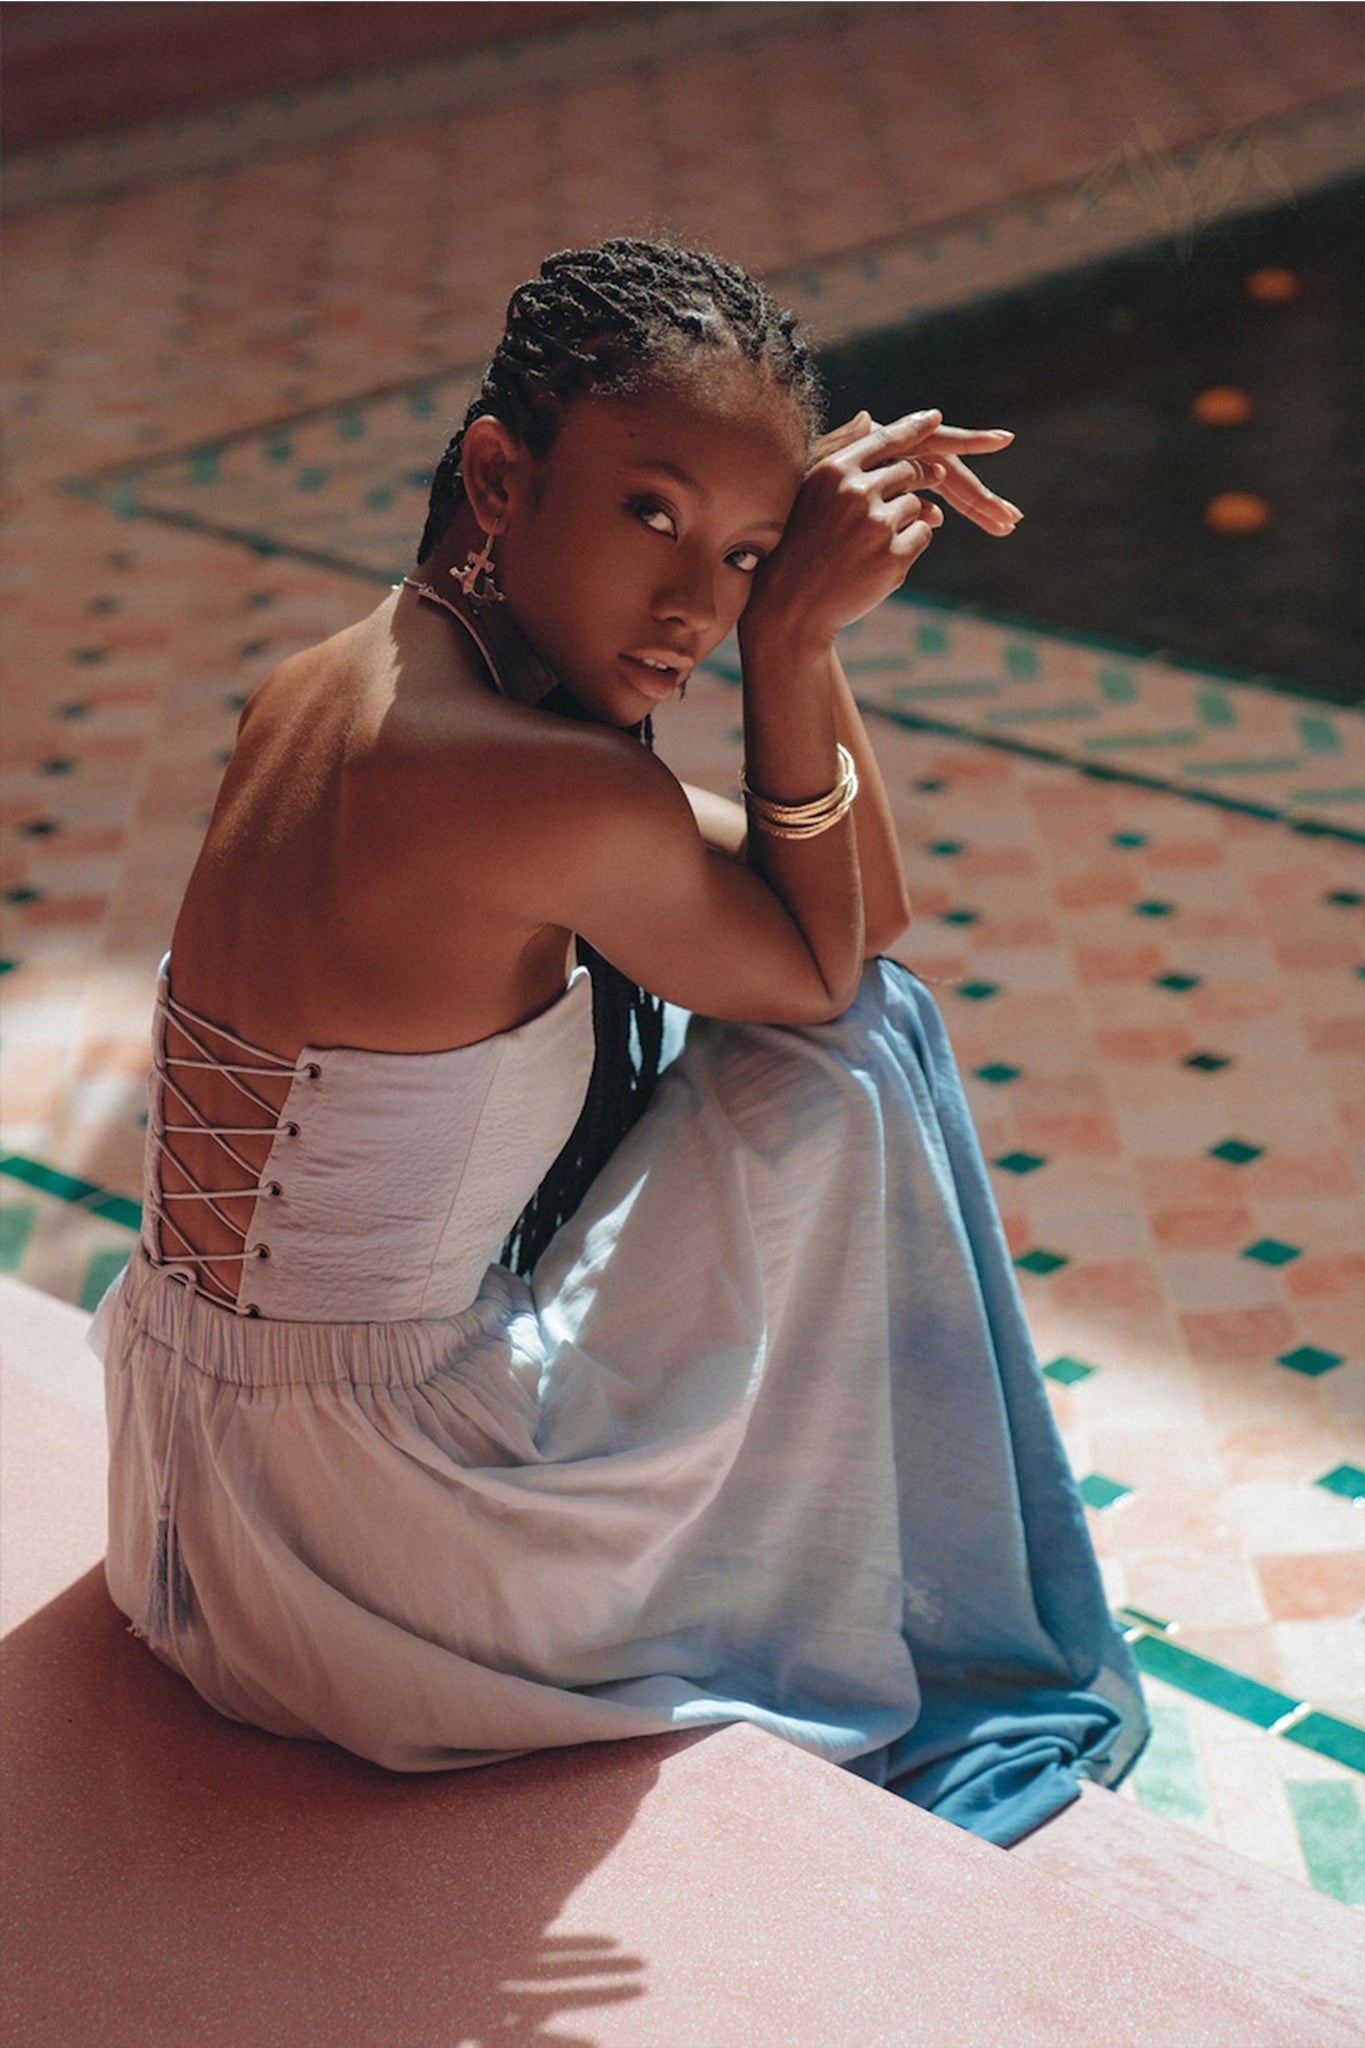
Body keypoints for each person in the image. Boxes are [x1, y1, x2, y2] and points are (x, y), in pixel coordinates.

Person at [93, 238, 1148, 1848]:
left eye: (741, 559)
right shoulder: (540, 789)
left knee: (843, 1000)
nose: (690, 610)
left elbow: (834, 905)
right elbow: (832, 965)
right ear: (500, 479)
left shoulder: (339, 681)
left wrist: (779, 620)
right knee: (856, 1049)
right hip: (381, 1562)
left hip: (179, 1496)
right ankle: (929, 1571)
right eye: (649, 513)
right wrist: (798, 647)